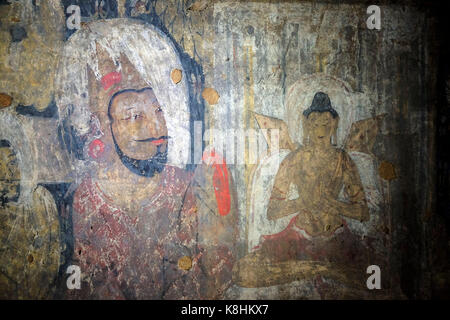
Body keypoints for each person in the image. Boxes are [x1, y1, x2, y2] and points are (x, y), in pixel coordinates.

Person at [56, 19, 237, 299]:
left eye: (160, 111)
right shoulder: (87, 197)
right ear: (101, 124)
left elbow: (206, 276)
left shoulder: (183, 188)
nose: (155, 129)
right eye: (132, 115)